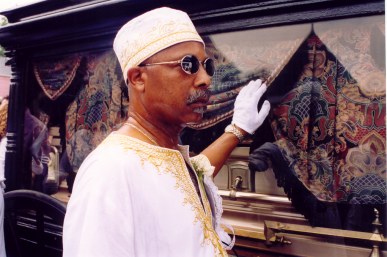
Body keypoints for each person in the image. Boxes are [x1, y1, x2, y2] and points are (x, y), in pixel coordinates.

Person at [63, 7, 270, 257]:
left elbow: (190, 178)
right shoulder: (110, 172)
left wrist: (237, 130)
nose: (205, 79)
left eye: (207, 65)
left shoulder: (164, 152)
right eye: (188, 64)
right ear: (138, 77)